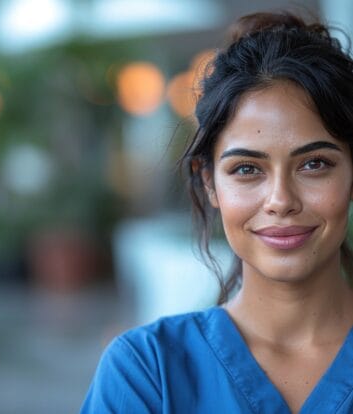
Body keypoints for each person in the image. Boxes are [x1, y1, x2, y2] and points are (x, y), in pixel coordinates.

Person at [80, 11, 353, 414]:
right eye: (247, 169)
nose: (280, 199)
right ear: (208, 181)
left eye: (314, 163)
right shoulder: (147, 372)